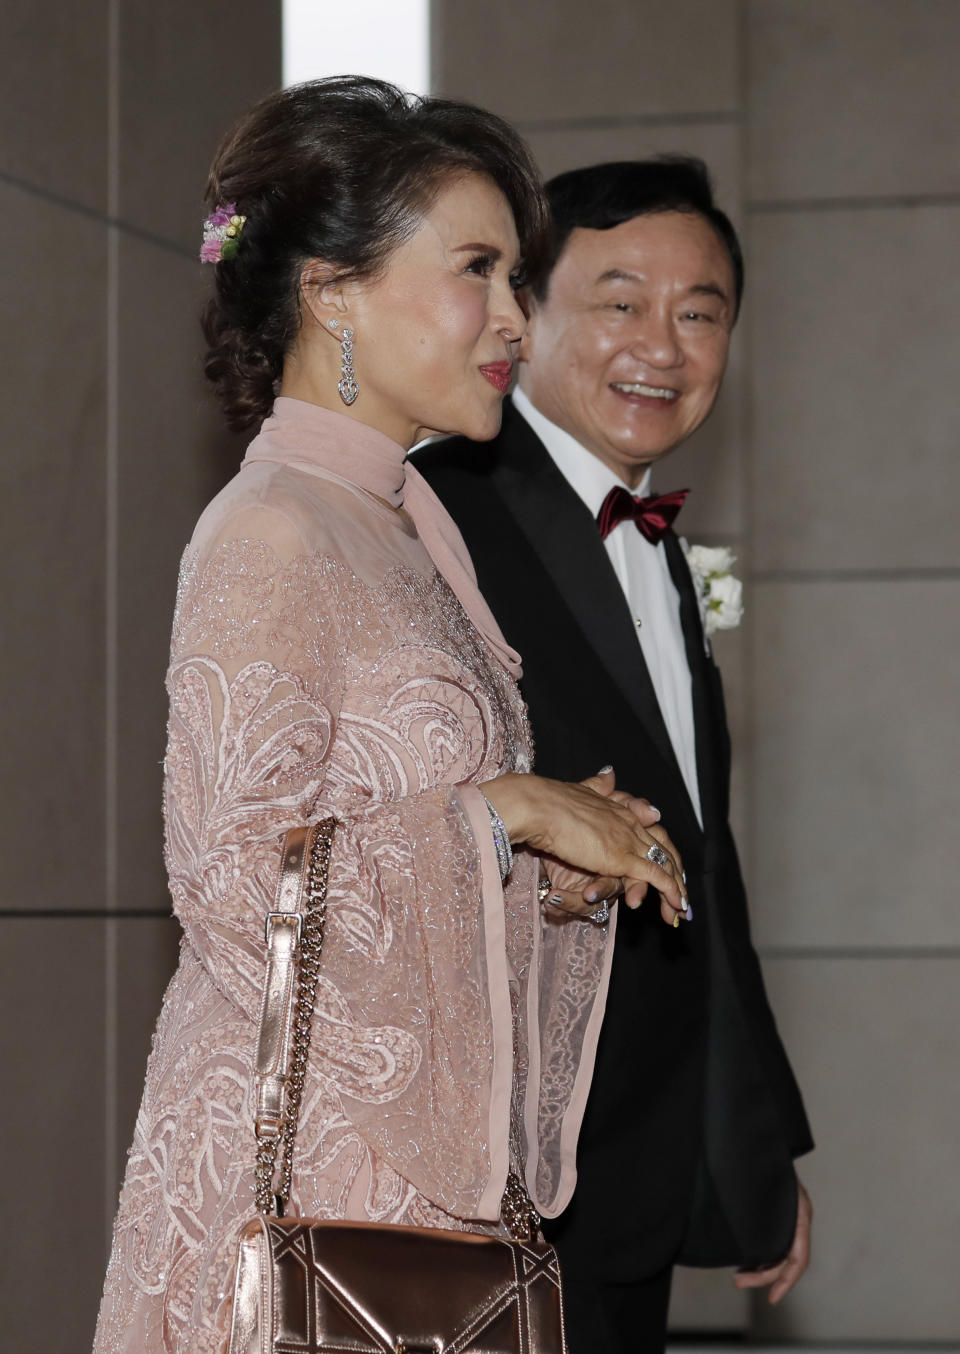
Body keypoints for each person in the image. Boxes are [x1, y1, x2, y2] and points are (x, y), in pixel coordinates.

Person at [92, 83, 693, 1353]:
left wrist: (552, 862)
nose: (517, 322)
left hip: (403, 1191)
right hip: (306, 1195)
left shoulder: (407, 528)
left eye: (517, 281)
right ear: (333, 290)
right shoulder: (270, 529)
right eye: (479, 269)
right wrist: (503, 810)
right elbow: (233, 888)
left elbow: (391, 848)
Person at [415, 157, 814, 1354]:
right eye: (620, 300)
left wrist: (755, 1149)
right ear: (523, 315)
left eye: (701, 312)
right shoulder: (438, 511)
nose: (664, 343)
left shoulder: (659, 554)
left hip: (625, 1181)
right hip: (487, 1185)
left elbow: (705, 872)